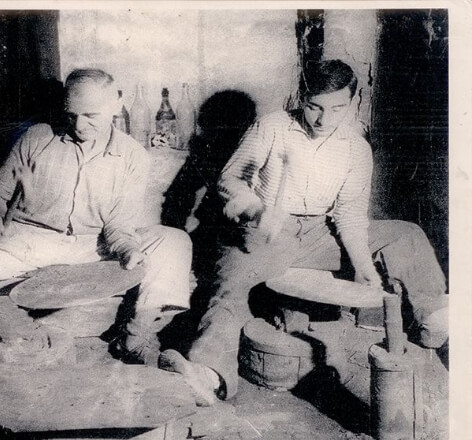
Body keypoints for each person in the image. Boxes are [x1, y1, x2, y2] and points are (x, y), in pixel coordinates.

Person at [159, 59, 448, 405]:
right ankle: (208, 373)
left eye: (337, 108)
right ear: (301, 97)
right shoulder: (272, 127)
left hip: (319, 233)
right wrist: (256, 209)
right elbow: (230, 179)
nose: (324, 119)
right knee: (233, 288)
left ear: (353, 102)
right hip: (266, 229)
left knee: (406, 234)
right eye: (315, 107)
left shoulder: (356, 148)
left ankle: (435, 322)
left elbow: (350, 216)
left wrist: (364, 267)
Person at [0, 68, 192, 365]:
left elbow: (119, 223)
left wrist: (128, 249)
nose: (79, 125)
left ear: (116, 104)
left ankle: (138, 335)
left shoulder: (132, 155)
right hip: (26, 244)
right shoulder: (36, 138)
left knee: (172, 241)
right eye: (71, 114)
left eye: (91, 115)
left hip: (93, 246)